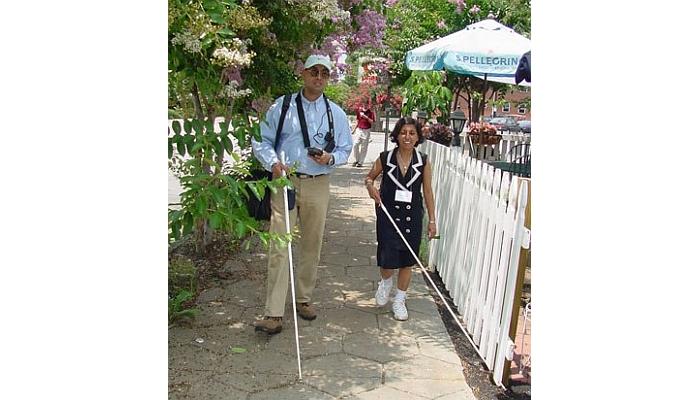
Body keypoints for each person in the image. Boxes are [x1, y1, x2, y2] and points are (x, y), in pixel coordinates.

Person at [251, 54, 353, 334]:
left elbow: (346, 148)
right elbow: (261, 140)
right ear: (303, 73)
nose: (318, 77)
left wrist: (330, 159)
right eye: (313, 71)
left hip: (318, 182)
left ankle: (304, 298)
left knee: (312, 243)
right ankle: (273, 313)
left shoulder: (336, 113)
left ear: (329, 77)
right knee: (279, 244)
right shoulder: (283, 106)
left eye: (324, 73)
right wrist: (273, 163)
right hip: (286, 182)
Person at [364, 117, 437, 321]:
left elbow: (428, 192)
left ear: (418, 137)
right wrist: (371, 188)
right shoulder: (385, 157)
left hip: (412, 216)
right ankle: (386, 283)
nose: (407, 136)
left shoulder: (423, 161)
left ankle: (399, 300)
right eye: (403, 132)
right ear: (397, 135)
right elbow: (369, 178)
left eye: (412, 133)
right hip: (388, 214)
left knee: (407, 261)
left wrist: (432, 220)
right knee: (387, 256)